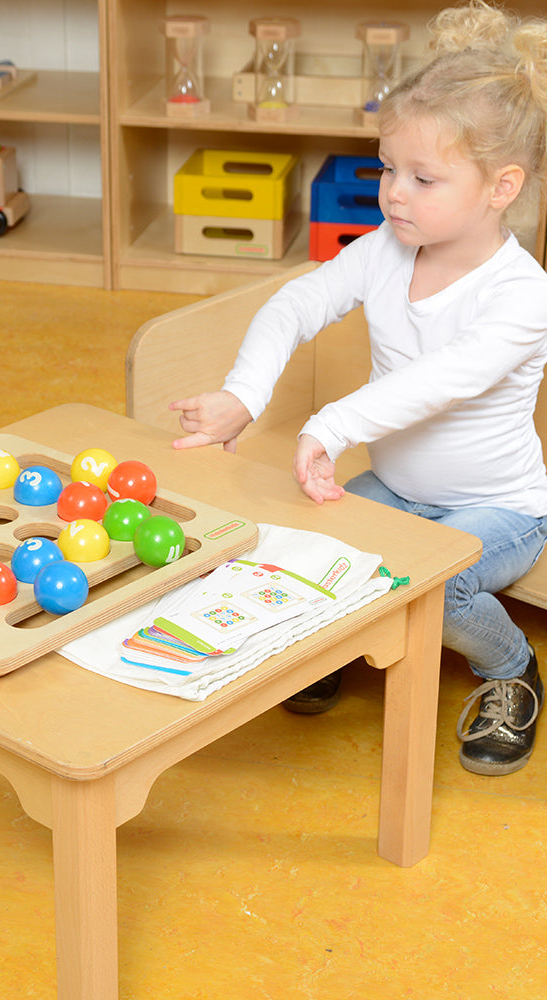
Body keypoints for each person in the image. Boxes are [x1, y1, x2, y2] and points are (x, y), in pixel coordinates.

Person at [170, 0, 547, 776]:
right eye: (388, 168)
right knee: (308, 549)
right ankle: (344, 636)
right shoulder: (385, 247)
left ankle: (510, 672)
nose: (394, 193)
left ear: (501, 185)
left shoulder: (521, 294)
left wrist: (331, 424)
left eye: (423, 177)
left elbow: (438, 383)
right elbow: (295, 303)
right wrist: (246, 394)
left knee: (441, 582)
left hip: (502, 508)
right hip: (398, 486)